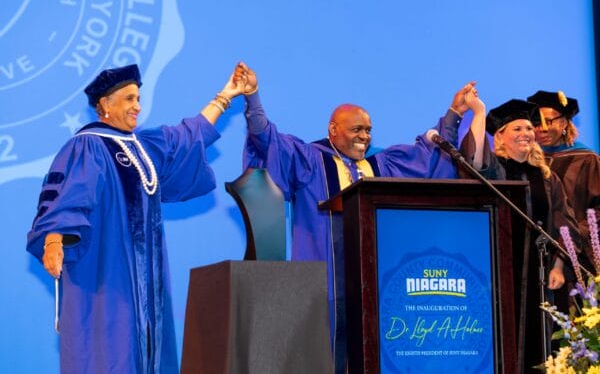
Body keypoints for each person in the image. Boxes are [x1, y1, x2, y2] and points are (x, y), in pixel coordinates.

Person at [234, 62, 474, 372]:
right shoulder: (310, 160)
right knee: (324, 351)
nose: (365, 136)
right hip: (324, 279)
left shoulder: (381, 165)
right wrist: (253, 96)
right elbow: (267, 139)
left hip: (372, 276)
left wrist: (454, 112)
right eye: (356, 129)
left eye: (369, 130)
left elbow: (426, 157)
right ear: (333, 129)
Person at [26, 63, 246, 373]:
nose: (137, 106)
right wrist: (53, 240)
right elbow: (67, 198)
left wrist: (226, 95)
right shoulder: (87, 146)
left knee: (148, 349)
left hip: (148, 281)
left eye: (138, 98)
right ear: (105, 104)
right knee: (110, 350)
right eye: (129, 99)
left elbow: (188, 136)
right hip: (106, 275)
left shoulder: (143, 146)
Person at [459, 96, 581, 373]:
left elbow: (565, 221)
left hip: (542, 272)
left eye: (529, 128)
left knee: (546, 342)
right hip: (501, 272)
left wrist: (560, 265)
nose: (526, 133)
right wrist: (479, 113)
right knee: (506, 339)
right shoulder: (496, 170)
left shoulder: (546, 176)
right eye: (517, 128)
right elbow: (474, 161)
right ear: (500, 135)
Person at [527, 90, 600, 272]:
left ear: (564, 122)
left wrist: (572, 235)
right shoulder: (528, 159)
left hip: (578, 256)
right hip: (535, 252)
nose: (542, 128)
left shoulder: (586, 159)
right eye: (536, 122)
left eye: (549, 121)